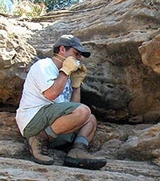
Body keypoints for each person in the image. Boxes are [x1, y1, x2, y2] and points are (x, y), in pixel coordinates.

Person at [16, 34, 107, 170]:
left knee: (90, 118)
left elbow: (73, 105)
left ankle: (76, 151)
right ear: (62, 49)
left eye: (80, 56)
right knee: (83, 111)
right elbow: (51, 94)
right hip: (33, 122)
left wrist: (76, 85)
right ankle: (38, 139)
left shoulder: (66, 75)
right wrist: (65, 72)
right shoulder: (44, 65)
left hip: (52, 127)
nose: (79, 59)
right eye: (76, 54)